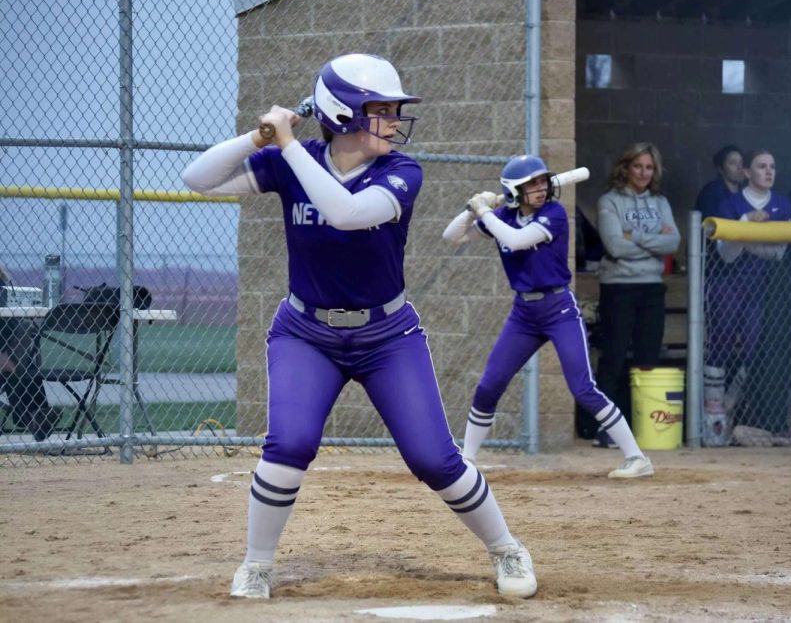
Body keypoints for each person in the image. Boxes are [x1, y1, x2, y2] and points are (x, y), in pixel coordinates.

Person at [181, 53, 536, 600]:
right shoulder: (290, 161)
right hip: (305, 333)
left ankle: (506, 547)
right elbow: (196, 178)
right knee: (289, 443)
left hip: (386, 336)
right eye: (383, 110)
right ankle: (257, 564)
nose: (395, 121)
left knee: (432, 457)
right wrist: (260, 138)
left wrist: (289, 147)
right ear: (345, 115)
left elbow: (346, 212)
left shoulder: (401, 171)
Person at [441, 154, 654, 479]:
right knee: (489, 385)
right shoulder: (505, 215)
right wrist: (471, 209)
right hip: (524, 313)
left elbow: (515, 240)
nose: (541, 189)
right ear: (515, 191)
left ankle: (637, 458)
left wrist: (484, 212)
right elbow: (451, 236)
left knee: (582, 387)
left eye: (542, 182)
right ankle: (466, 460)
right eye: (531, 185)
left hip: (558, 308)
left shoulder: (553, 214)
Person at [594, 142, 681, 449]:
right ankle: (606, 429)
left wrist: (635, 237)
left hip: (651, 288)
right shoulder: (609, 201)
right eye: (638, 166)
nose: (644, 173)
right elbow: (615, 246)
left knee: (647, 357)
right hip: (618, 288)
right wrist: (653, 241)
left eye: (649, 168)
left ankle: (642, 424)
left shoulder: (660, 202)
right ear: (625, 168)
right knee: (615, 356)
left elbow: (674, 243)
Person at [705, 150, 791, 443]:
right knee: (721, 342)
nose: (768, 172)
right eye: (761, 166)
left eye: (772, 166)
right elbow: (727, 255)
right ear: (746, 172)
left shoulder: (782, 203)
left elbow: (779, 252)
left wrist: (745, 236)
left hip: (761, 286)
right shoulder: (730, 203)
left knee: (756, 347)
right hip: (728, 283)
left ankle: (730, 404)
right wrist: (745, 222)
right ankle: (712, 412)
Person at [0, 265, 61, 442]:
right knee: (18, 373)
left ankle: (36, 416)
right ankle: (34, 416)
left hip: (8, 357)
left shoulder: (5, 287)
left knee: (22, 371)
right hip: (4, 357)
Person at [694, 144, 744, 222]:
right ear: (720, 169)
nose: (740, 167)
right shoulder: (711, 193)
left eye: (742, 162)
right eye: (733, 163)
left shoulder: (746, 191)